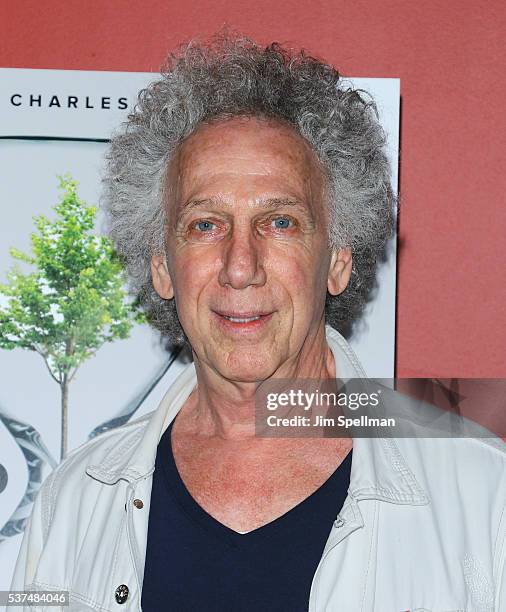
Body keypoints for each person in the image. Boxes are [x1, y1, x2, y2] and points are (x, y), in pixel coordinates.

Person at [10, 33, 506, 612]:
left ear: (338, 258)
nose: (239, 267)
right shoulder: (72, 503)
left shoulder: (483, 499)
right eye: (204, 225)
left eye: (280, 222)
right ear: (161, 267)